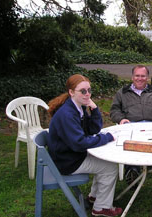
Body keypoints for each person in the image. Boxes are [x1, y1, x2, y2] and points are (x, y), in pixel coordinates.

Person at [47, 74, 122, 217]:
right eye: (83, 91)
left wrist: (94, 109)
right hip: (67, 162)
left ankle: (94, 197)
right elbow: (79, 143)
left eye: (89, 90)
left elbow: (93, 130)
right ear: (71, 92)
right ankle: (101, 208)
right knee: (110, 167)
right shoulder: (68, 114)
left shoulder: (77, 108)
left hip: (70, 155)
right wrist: (106, 138)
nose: (87, 94)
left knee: (106, 161)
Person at [110, 65, 152, 186]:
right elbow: (114, 110)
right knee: (130, 142)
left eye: (143, 76)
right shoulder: (122, 93)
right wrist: (121, 119)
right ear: (132, 77)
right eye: (137, 75)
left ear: (147, 77)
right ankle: (132, 171)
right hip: (131, 126)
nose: (140, 78)